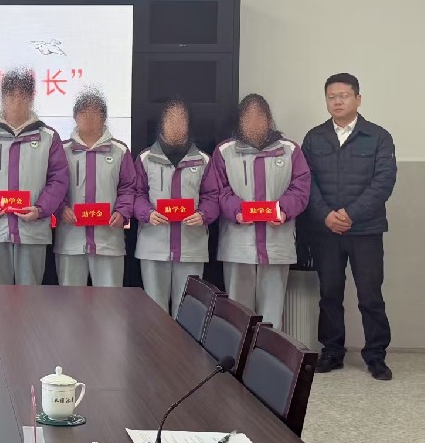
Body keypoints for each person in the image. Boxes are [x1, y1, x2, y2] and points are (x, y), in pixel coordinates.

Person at [302, 73, 397, 380]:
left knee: (370, 295)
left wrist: (350, 214)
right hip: (326, 231)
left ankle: (376, 356)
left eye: (343, 95)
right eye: (331, 97)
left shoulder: (378, 136)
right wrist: (326, 215)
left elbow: (384, 182)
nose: (337, 101)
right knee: (329, 293)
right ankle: (332, 352)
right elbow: (306, 183)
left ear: (358, 99)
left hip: (366, 231)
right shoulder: (314, 138)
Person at [203, 94, 311, 328]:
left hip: (277, 242)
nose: (254, 123)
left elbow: (301, 188)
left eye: (259, 117)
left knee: (272, 314)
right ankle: (240, 352)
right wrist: (236, 210)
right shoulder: (225, 151)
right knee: (238, 315)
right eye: (248, 118)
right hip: (238, 244)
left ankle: (267, 353)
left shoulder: (290, 150)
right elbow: (218, 190)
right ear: (240, 121)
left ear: (269, 119)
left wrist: (283, 210)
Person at [0, 69, 69, 285]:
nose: (16, 101)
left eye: (22, 95)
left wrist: (41, 209)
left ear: (31, 97)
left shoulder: (48, 137)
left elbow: (58, 179)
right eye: (11, 95)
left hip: (32, 229)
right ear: (2, 97)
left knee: (30, 296)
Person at [134, 98, 219, 314]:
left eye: (181, 120)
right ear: (162, 123)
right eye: (171, 120)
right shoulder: (145, 158)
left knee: (188, 313)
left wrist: (203, 214)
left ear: (188, 124)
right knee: (155, 312)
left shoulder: (203, 160)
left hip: (191, 245)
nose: (176, 125)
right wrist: (147, 213)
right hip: (153, 245)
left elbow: (213, 196)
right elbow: (135, 194)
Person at [54, 88, 136, 287]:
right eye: (84, 112)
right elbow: (53, 186)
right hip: (71, 240)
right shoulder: (61, 150)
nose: (89, 117)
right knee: (70, 301)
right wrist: (61, 209)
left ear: (104, 117)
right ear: (75, 116)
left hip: (108, 240)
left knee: (110, 301)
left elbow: (128, 187)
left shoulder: (120, 151)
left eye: (95, 112)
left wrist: (122, 212)